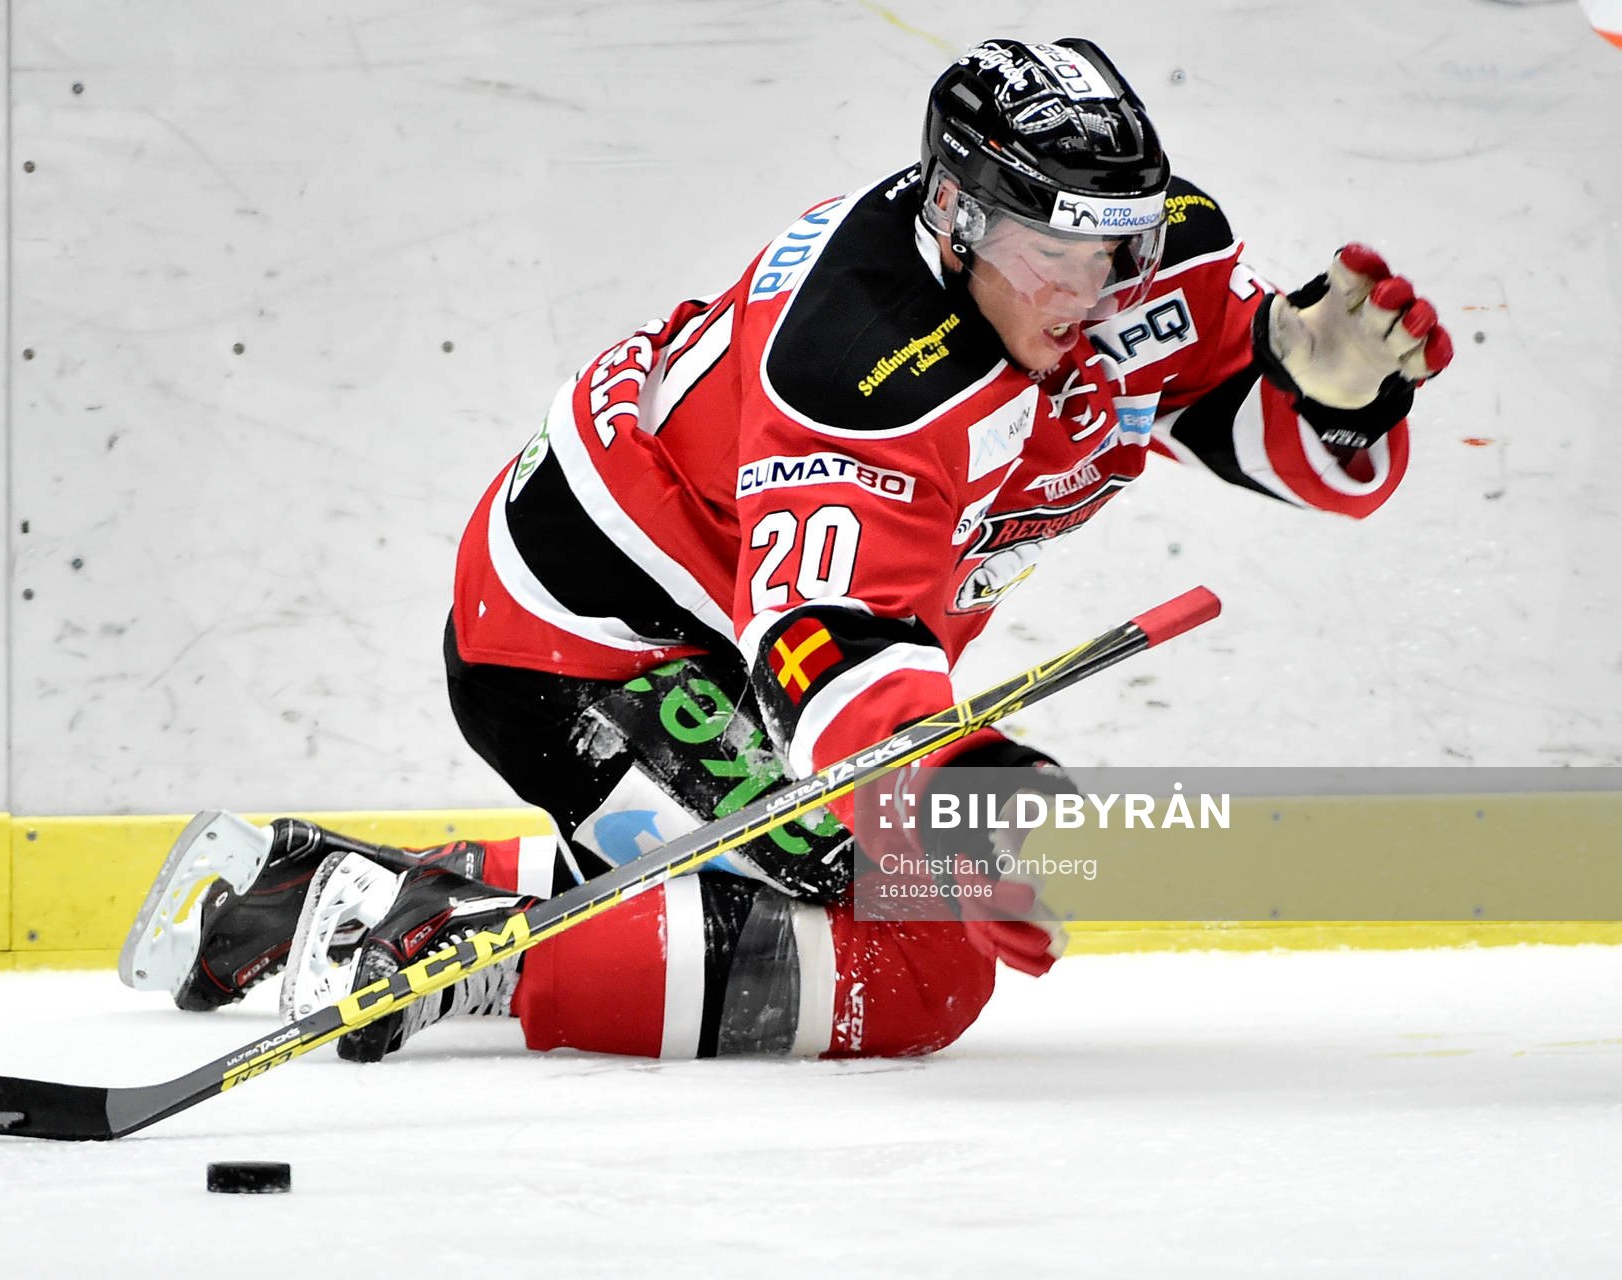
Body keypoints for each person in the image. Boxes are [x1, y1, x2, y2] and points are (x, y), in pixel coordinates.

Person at [118, 37, 1450, 1061]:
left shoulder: (1119, 260)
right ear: (959, 215)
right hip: (590, 643)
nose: (1100, 290)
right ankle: (452, 950)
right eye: (1062, 252)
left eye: (1126, 242)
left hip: (714, 633)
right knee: (918, 967)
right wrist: (951, 784)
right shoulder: (861, 367)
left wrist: (1319, 383)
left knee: (849, 884)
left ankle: (318, 890)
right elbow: (823, 650)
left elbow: (1225, 409)